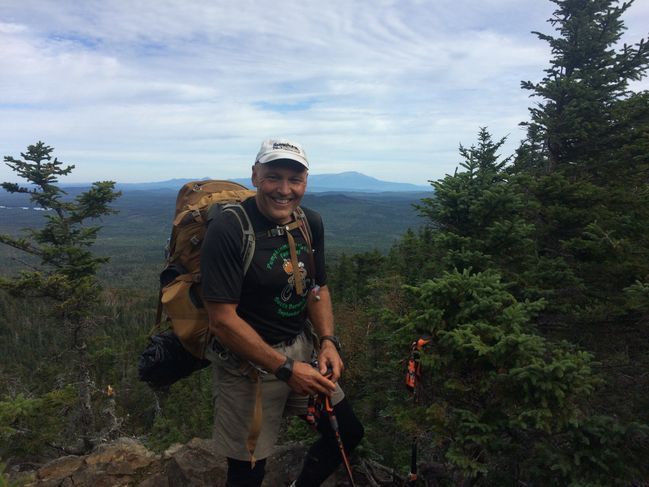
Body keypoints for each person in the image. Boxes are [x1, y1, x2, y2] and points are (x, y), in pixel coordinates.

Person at [201, 138, 364, 487]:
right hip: (248, 365)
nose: (285, 190)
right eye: (274, 176)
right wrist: (287, 370)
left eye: (296, 179)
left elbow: (317, 289)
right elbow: (222, 320)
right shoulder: (230, 229)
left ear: (306, 181)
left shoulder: (309, 223)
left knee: (347, 432)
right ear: (255, 176)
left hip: (302, 349)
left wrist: (329, 342)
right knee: (247, 472)